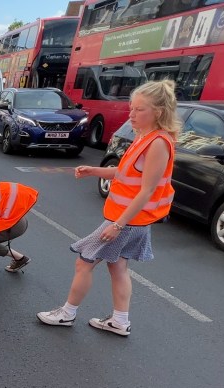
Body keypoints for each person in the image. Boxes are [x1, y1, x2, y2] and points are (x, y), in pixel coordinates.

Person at [37, 80, 179, 336]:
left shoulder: (157, 143)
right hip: (132, 220)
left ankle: (67, 314)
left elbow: (146, 190)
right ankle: (120, 321)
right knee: (118, 267)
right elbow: (124, 172)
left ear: (158, 112)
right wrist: (94, 170)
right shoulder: (146, 137)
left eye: (139, 110)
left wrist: (117, 225)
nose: (132, 115)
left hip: (126, 221)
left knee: (84, 262)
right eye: (132, 108)